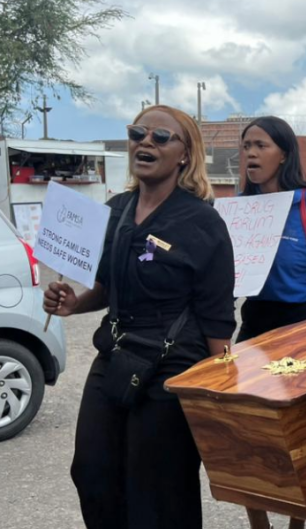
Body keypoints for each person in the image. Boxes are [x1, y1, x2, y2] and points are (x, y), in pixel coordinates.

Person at [43, 105, 236, 529]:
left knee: (157, 488)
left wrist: (221, 397)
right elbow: (108, 287)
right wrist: (74, 303)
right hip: (114, 355)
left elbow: (218, 318)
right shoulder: (113, 210)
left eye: (161, 137)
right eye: (137, 133)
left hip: (172, 365)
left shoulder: (203, 223)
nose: (145, 141)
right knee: (92, 472)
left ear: (185, 154)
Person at [235, 116, 306, 342]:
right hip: (254, 317)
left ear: (283, 155)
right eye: (246, 146)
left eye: (261, 146)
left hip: (305, 320)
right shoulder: (240, 208)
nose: (251, 153)